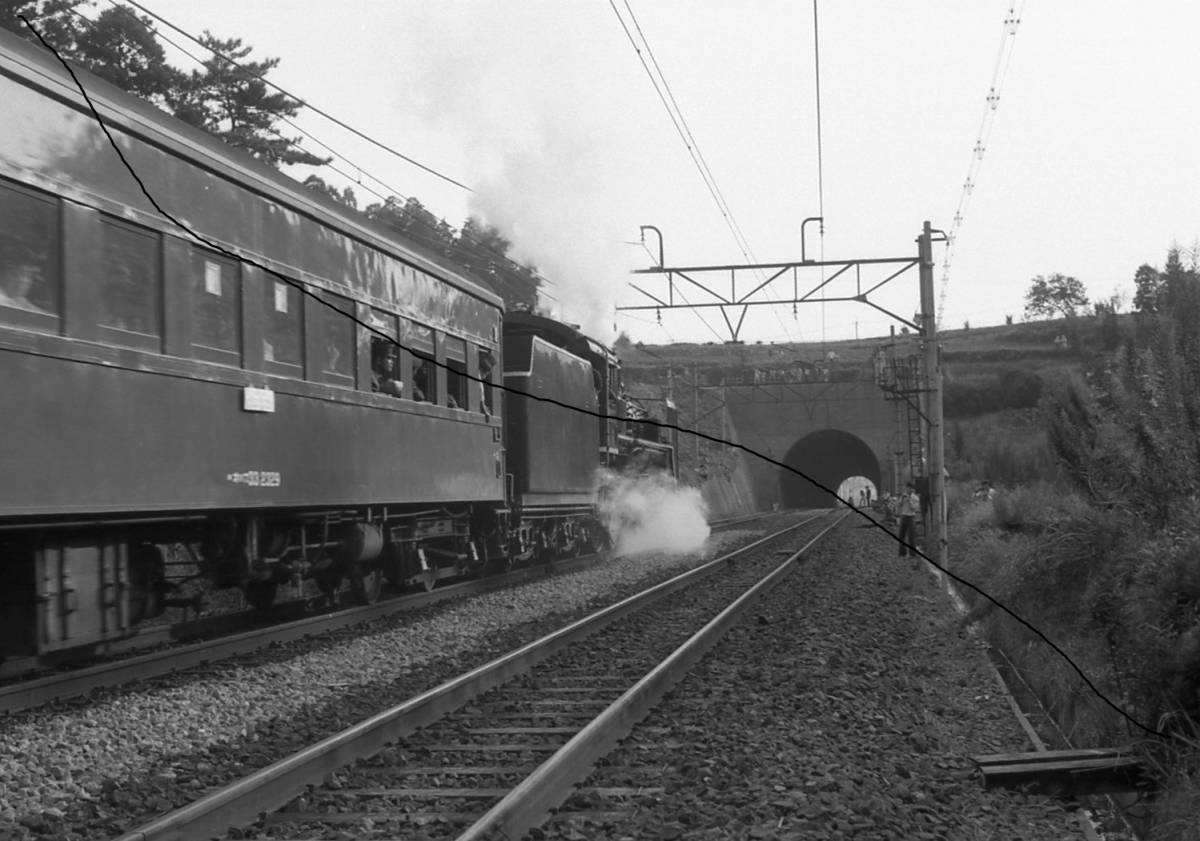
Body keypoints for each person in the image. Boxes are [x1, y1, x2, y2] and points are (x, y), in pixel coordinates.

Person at [897, 481, 919, 557]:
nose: (907, 489)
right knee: (901, 536)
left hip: (911, 517)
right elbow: (899, 505)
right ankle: (902, 553)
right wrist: (902, 499)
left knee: (911, 537)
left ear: (912, 489)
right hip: (904, 516)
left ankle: (912, 554)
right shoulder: (903, 496)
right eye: (907, 487)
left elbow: (915, 509)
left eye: (909, 488)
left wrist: (909, 501)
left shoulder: (915, 498)